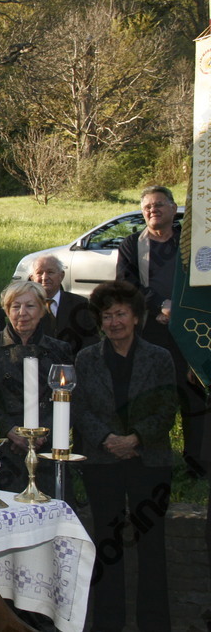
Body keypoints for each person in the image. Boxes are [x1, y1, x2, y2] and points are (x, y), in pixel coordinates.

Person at [72, 281, 175, 632]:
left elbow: (167, 408)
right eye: (107, 316)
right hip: (102, 463)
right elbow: (80, 409)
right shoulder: (86, 359)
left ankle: (155, 625)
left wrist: (136, 438)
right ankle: (107, 624)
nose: (114, 322)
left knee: (152, 545)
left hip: (150, 462)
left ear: (135, 318)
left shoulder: (160, 358)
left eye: (120, 314)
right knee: (107, 543)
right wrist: (107, 439)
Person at [117, 185, 207, 475]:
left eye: (158, 205)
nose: (152, 210)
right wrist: (160, 306)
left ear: (173, 208)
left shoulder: (190, 243)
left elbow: (202, 282)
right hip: (150, 333)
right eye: (147, 207)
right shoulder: (132, 244)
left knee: (194, 397)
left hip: (190, 333)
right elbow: (127, 285)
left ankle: (197, 465)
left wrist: (179, 310)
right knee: (151, 398)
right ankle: (152, 461)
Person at [0, 281, 71, 495]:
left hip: (44, 450)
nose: (22, 313)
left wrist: (38, 435)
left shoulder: (59, 349)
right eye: (15, 306)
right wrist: (12, 431)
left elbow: (66, 399)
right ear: (7, 311)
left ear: (42, 310)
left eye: (30, 306)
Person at [28, 255, 98, 357]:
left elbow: (92, 341)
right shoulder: (25, 306)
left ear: (61, 275)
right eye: (39, 273)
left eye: (50, 272)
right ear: (32, 278)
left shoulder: (80, 304)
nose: (44, 277)